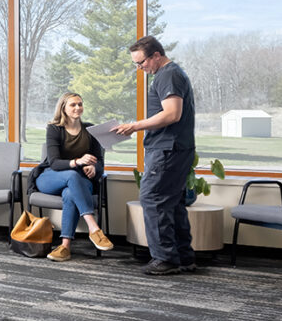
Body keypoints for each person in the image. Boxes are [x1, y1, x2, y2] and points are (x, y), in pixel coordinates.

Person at [114, 36, 197, 275]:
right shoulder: (171, 73)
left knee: (152, 199)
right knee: (172, 203)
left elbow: (172, 114)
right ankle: (182, 256)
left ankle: (165, 258)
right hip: (174, 148)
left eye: (141, 63)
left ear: (156, 56)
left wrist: (135, 126)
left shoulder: (168, 75)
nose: (140, 69)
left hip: (167, 149)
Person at [35, 92, 113, 261]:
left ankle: (64, 247)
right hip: (51, 177)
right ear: (63, 108)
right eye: (73, 105)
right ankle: (94, 228)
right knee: (71, 174)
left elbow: (99, 162)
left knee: (70, 193)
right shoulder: (54, 128)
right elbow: (54, 163)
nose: (78, 107)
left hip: (80, 181)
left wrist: (94, 167)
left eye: (80, 104)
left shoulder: (90, 130)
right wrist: (78, 161)